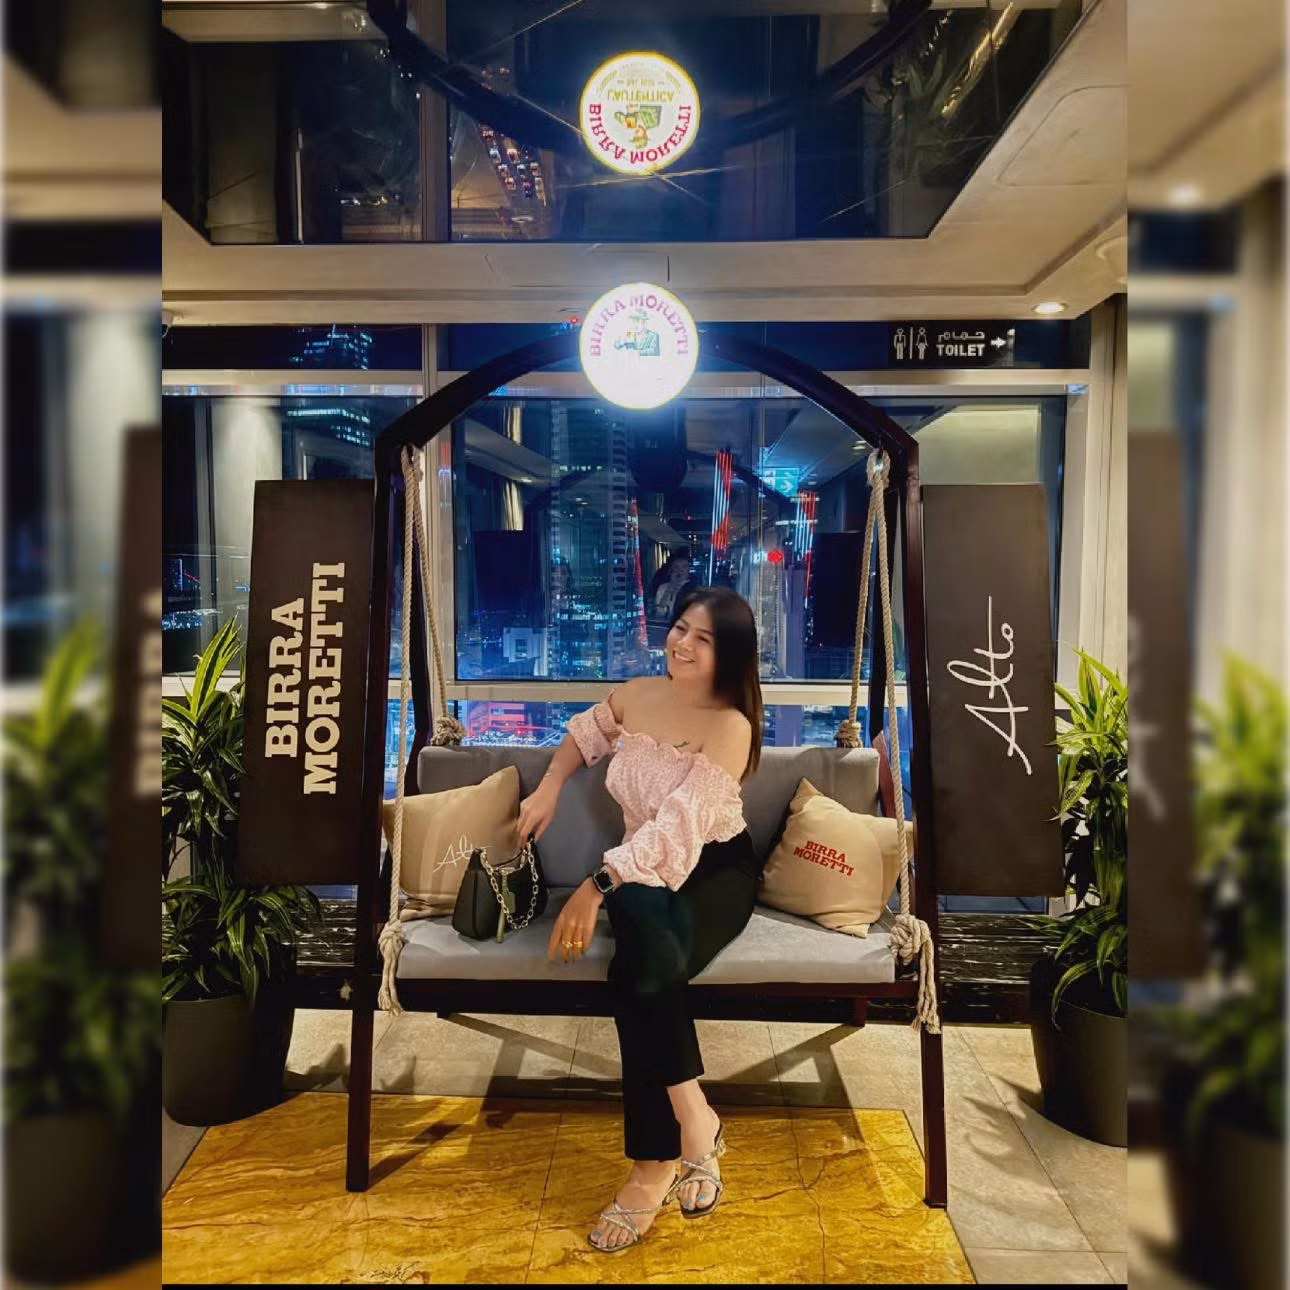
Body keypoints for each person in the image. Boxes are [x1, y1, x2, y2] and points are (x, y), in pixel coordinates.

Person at [515, 586, 764, 1253]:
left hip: (714, 871)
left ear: (729, 654)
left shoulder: (732, 726)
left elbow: (679, 833)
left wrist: (595, 884)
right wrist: (549, 785)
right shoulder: (636, 694)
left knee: (635, 973)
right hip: (640, 869)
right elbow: (583, 736)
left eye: (703, 638)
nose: (682, 643)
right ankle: (695, 1120)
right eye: (679, 628)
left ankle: (651, 1167)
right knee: (643, 950)